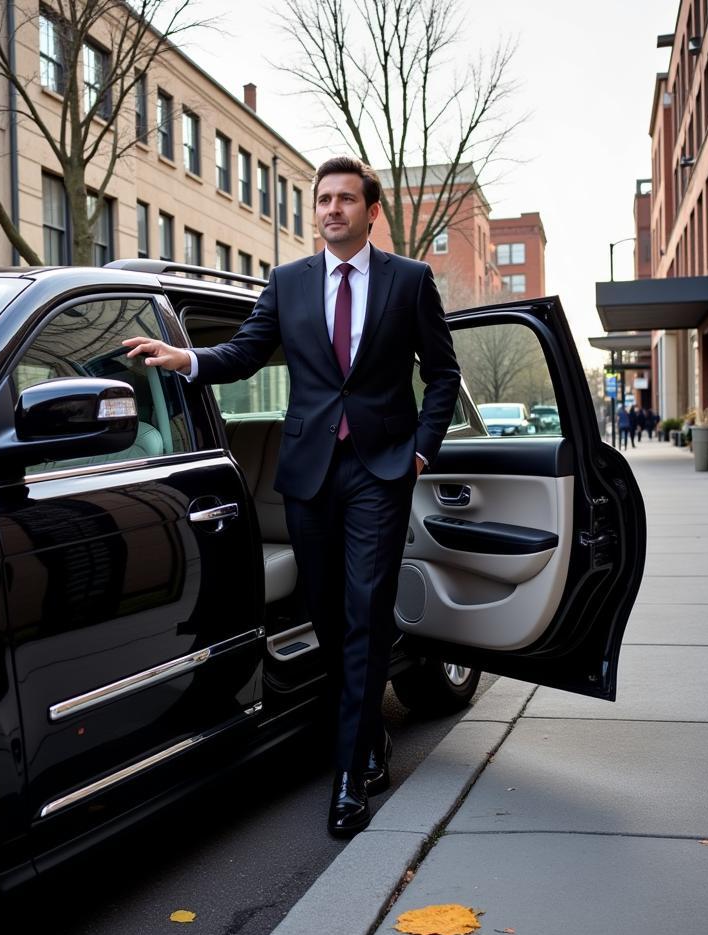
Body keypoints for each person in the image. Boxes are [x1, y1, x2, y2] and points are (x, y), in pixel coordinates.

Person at [123, 156, 461, 837]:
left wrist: (422, 449)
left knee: (366, 611)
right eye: (323, 200)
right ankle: (367, 737)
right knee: (331, 619)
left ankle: (348, 773)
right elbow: (245, 353)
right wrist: (187, 360)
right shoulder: (288, 282)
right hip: (310, 472)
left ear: (371, 211)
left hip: (380, 470)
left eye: (344, 199)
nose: (332, 209)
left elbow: (443, 373)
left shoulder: (410, 281)